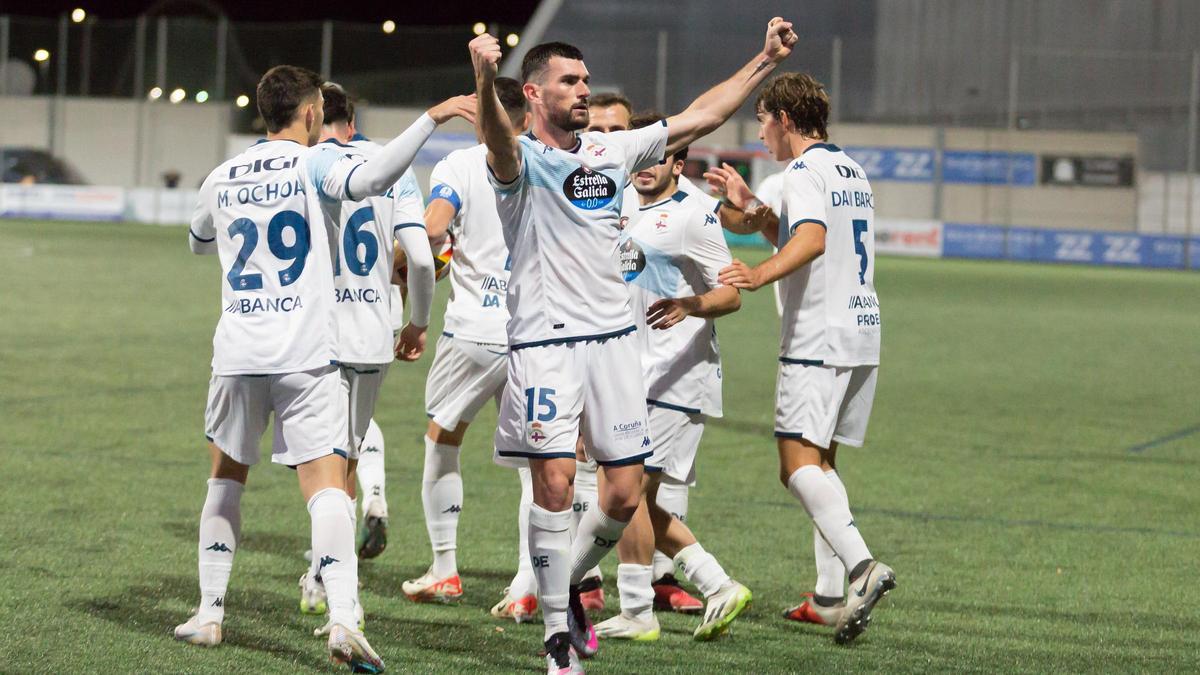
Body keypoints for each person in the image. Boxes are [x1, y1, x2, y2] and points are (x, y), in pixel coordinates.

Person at [469, 16, 797, 673]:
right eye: (570, 81)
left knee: (622, 495)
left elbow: (700, 116)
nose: (584, 89)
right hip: (544, 345)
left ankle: (559, 583)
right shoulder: (518, 159)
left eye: (586, 79)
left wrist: (764, 60)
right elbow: (497, 138)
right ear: (534, 94)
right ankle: (559, 637)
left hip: (616, 343)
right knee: (556, 485)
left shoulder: (609, 152)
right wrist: (482, 75)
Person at [177, 63, 473, 672]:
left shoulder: (223, 173)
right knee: (328, 487)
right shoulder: (316, 162)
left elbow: (198, 240)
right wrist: (434, 116)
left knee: (226, 481)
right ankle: (342, 616)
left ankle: (209, 614)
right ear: (313, 114)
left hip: (237, 353)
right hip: (306, 355)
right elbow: (378, 174)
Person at [717, 72, 896, 645]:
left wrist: (758, 273)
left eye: (765, 121)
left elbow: (813, 239)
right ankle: (825, 597)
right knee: (822, 465)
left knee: (795, 466)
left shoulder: (802, 170)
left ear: (785, 120)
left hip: (818, 334)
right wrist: (759, 214)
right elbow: (800, 232)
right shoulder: (850, 168)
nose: (762, 133)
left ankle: (863, 569)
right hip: (861, 330)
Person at [595, 113, 747, 642]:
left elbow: (730, 293)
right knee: (631, 496)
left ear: (678, 163)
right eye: (641, 158)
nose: (645, 167)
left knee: (628, 493)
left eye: (658, 158)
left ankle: (638, 610)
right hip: (634, 372)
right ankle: (716, 585)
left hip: (678, 376)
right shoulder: (622, 208)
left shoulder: (695, 215)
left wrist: (689, 304)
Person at [296, 82, 436, 618]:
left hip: (315, 333)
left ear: (313, 118)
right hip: (376, 331)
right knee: (347, 456)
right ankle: (327, 577)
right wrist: (418, 324)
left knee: (322, 464)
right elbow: (421, 261)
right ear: (352, 120)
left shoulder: (306, 163)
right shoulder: (389, 164)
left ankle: (325, 581)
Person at [400, 78, 537, 622]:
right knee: (535, 464)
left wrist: (402, 257)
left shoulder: (459, 166)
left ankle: (445, 569)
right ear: (526, 116)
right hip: (535, 332)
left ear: (482, 118)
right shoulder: (550, 162)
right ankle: (528, 584)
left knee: (442, 438)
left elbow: (433, 231)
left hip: (476, 329)